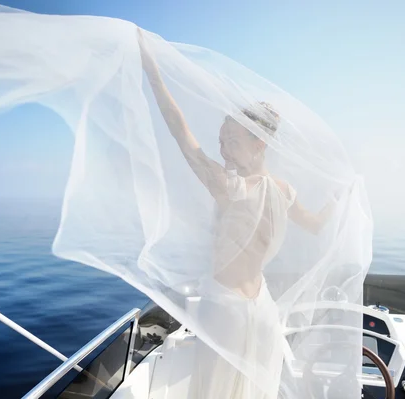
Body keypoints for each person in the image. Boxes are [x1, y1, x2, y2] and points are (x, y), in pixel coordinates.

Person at [138, 29, 337, 398]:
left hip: (226, 310)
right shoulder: (285, 191)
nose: (222, 148)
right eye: (220, 139)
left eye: (230, 140)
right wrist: (338, 197)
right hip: (263, 312)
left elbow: (178, 128)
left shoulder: (227, 187)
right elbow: (317, 225)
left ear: (258, 143)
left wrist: (153, 73)